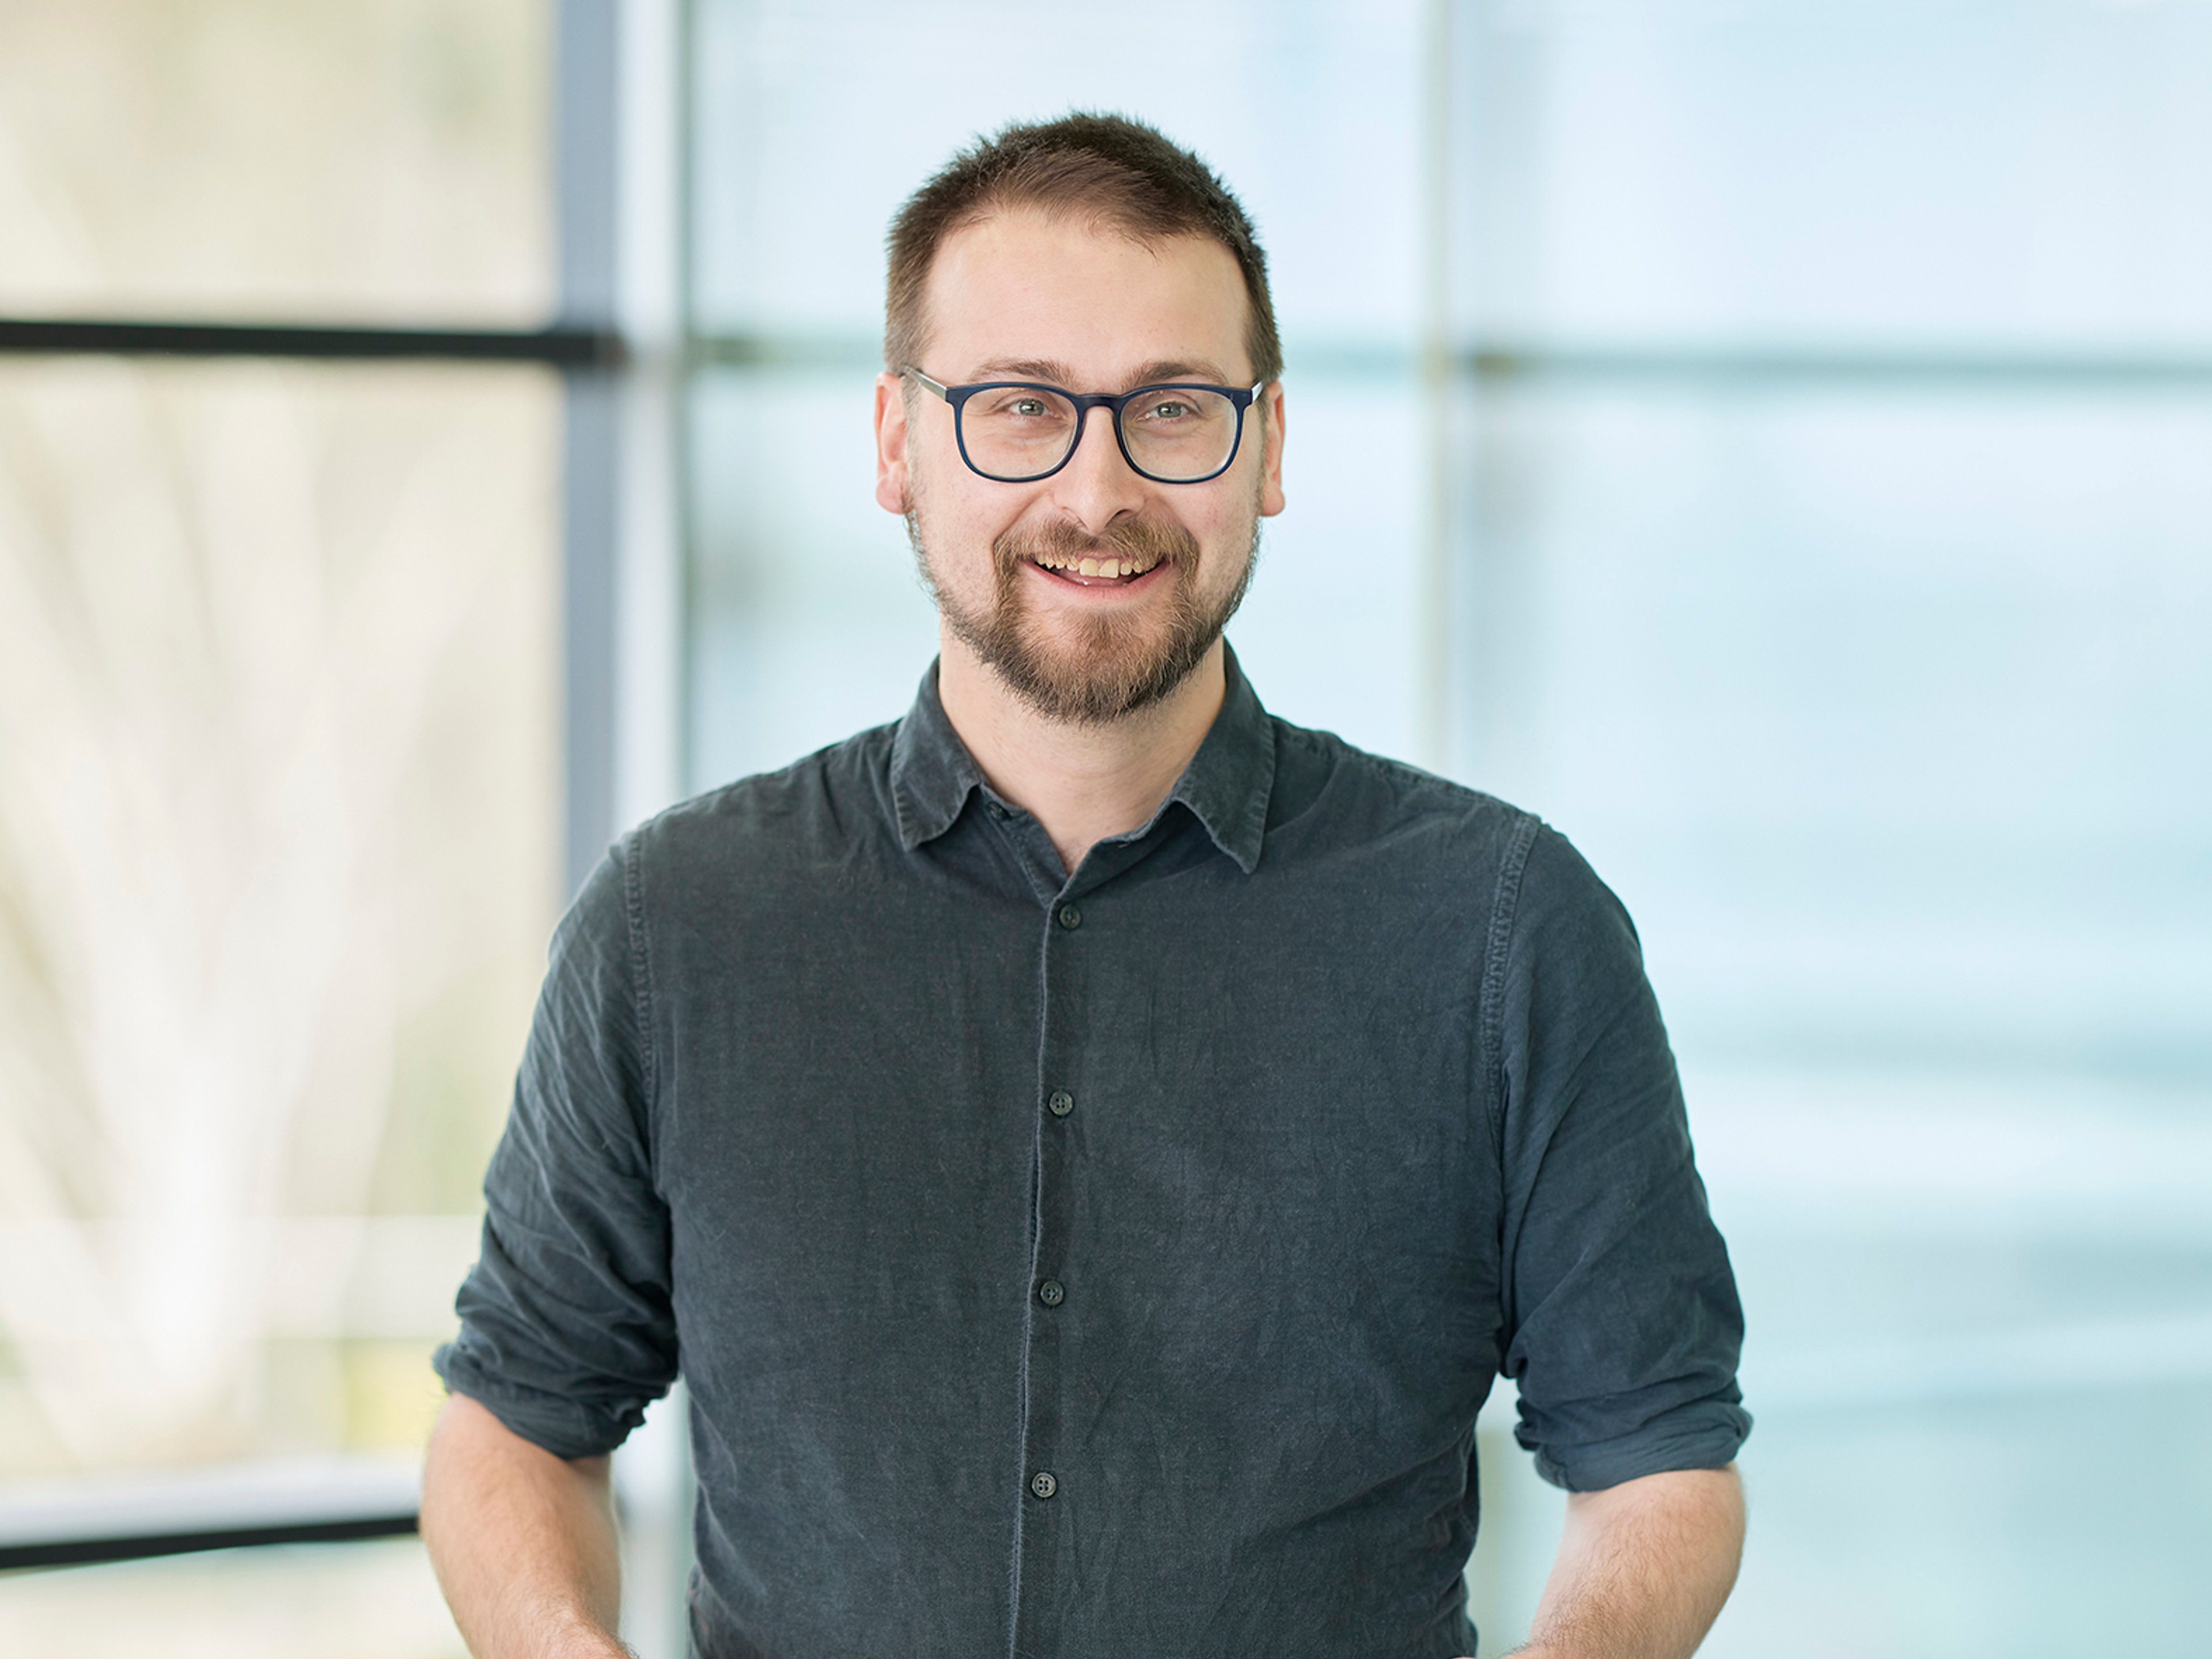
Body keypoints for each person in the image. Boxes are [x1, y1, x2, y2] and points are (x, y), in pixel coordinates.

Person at [421, 112, 1749, 1659]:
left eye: (1173, 409)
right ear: (895, 444)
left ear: (1265, 449)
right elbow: (510, 1425)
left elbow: (1662, 1465)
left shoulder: (1510, 932)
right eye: (1018, 407)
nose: (1097, 487)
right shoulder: (674, 925)